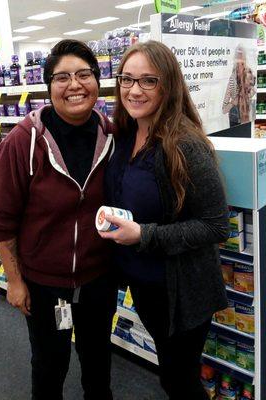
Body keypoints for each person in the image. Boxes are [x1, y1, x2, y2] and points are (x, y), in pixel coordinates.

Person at [0, 39, 117, 400]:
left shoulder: (112, 136)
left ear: (98, 80)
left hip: (98, 278)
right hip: (43, 284)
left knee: (97, 362)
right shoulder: (23, 142)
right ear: (49, 87)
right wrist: (14, 281)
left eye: (84, 74)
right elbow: (0, 217)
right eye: (62, 77)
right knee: (48, 364)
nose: (74, 85)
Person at [98, 40, 229, 400]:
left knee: (179, 380)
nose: (134, 90)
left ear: (168, 85)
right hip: (144, 285)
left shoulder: (186, 144)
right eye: (127, 79)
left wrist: (144, 235)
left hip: (181, 292)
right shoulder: (125, 136)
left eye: (148, 81)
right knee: (171, 374)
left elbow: (217, 225)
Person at [222, 45, 255, 126]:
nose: (240, 64)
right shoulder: (232, 80)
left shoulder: (249, 74)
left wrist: (246, 95)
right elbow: (224, 110)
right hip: (235, 119)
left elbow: (253, 91)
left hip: (246, 117)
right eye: (238, 59)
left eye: (242, 60)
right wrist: (233, 102)